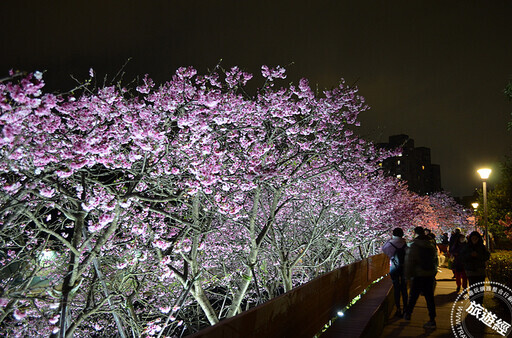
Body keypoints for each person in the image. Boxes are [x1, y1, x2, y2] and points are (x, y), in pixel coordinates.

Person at [404, 226, 438, 329]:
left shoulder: (414, 245)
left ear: (415, 233)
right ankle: (432, 319)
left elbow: (410, 261)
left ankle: (408, 314)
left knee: (413, 296)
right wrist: (434, 272)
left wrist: (408, 275)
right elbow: (435, 260)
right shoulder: (431, 244)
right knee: (430, 298)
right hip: (429, 274)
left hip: (418, 275)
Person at [382, 227, 408, 317]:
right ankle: (405, 308)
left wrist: (389, 240)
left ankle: (398, 309)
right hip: (404, 268)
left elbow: (384, 249)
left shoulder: (390, 244)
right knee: (404, 287)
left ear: (393, 234)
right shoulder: (405, 244)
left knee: (396, 287)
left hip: (394, 267)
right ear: (402, 234)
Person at [460, 231, 490, 304]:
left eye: (476, 238)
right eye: (473, 238)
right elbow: (462, 257)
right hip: (470, 271)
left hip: (480, 271)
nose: (474, 240)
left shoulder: (482, 247)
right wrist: (470, 255)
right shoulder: (467, 247)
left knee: (480, 288)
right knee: (473, 287)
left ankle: (479, 303)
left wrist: (478, 255)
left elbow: (486, 256)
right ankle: (473, 303)